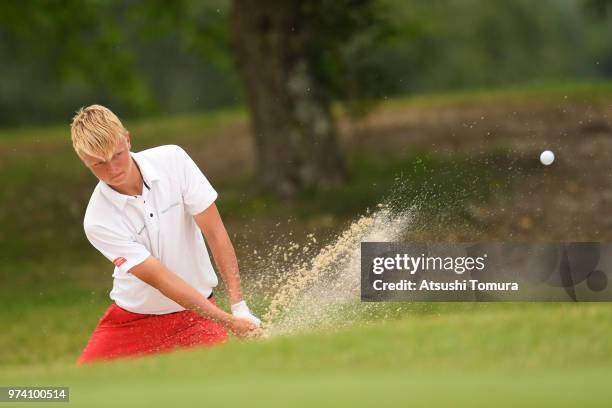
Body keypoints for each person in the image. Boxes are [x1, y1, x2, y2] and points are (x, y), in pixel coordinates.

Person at [71, 104, 260, 364]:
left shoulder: (173, 160)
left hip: (197, 317)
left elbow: (215, 233)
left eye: (117, 155)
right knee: (80, 391)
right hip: (131, 322)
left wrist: (239, 307)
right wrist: (228, 321)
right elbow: (160, 278)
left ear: (127, 139)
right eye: (99, 164)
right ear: (83, 160)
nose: (112, 169)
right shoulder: (98, 219)